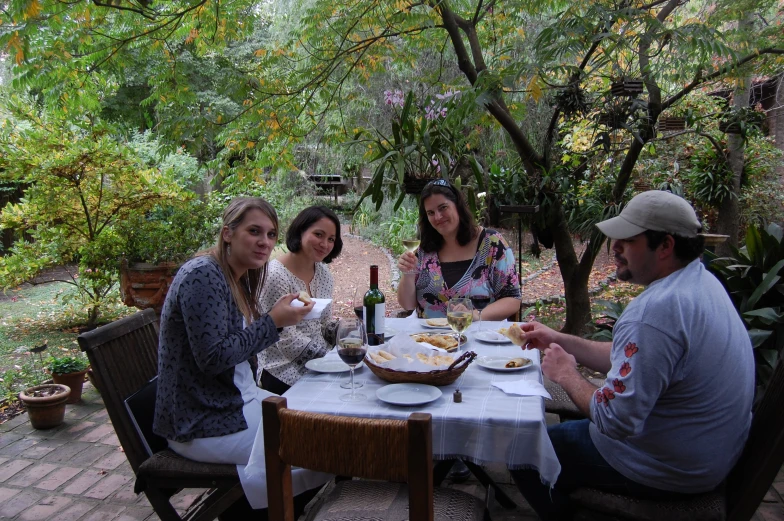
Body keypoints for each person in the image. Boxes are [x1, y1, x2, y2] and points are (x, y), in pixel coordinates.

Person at [510, 190, 754, 520]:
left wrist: (567, 373)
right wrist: (559, 339)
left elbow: (614, 420)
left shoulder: (655, 312)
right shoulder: (700, 282)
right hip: (703, 455)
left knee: (520, 451)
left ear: (665, 246)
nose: (615, 249)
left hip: (668, 469)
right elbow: (632, 357)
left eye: (628, 240)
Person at [154, 197, 330, 513]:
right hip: (202, 420)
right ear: (227, 233)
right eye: (254, 231)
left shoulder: (240, 276)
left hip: (234, 402)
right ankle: (261, 511)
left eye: (271, 234)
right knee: (315, 445)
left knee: (326, 430)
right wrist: (273, 322)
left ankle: (260, 510)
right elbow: (213, 358)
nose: (264, 242)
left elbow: (237, 349)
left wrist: (275, 321)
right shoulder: (203, 275)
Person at [397, 179, 522, 319]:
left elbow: (513, 299)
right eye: (431, 213)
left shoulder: (492, 244)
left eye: (443, 207)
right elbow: (408, 305)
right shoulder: (424, 250)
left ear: (457, 205)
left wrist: (474, 315)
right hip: (428, 339)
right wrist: (408, 274)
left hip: (478, 338)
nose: (437, 217)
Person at [257, 206, 343, 395]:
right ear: (300, 231)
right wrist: (329, 359)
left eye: (331, 239)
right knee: (334, 394)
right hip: (281, 366)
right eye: (318, 235)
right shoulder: (276, 275)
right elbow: (283, 337)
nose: (325, 244)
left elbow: (324, 323)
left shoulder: (323, 274)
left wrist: (348, 332)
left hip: (321, 359)